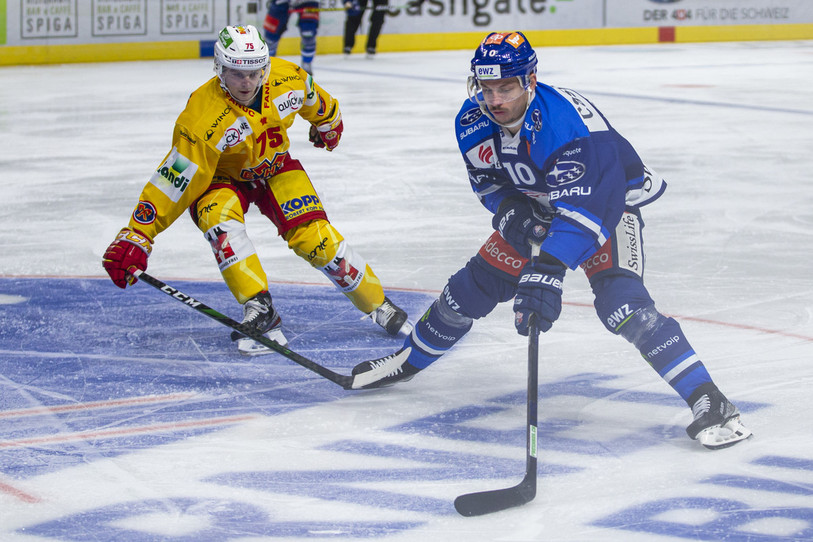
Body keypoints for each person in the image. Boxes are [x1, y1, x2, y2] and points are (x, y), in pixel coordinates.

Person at [350, 31, 752, 450]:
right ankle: (408, 361)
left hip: (609, 203)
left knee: (623, 305)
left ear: (530, 80)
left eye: (506, 87)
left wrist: (548, 270)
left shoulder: (566, 126)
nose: (495, 100)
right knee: (469, 289)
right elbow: (488, 183)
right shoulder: (471, 121)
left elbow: (589, 210)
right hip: (543, 205)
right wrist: (512, 215)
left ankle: (711, 400)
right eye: (486, 88)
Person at [102, 24, 408, 356]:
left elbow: (315, 99)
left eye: (254, 72)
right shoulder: (201, 117)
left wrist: (328, 123)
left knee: (315, 238)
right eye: (236, 74)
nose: (247, 82)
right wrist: (138, 233)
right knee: (219, 223)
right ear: (219, 68)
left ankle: (378, 303)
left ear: (265, 67)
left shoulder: (287, 78)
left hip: (275, 167)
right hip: (222, 179)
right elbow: (175, 179)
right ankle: (260, 308)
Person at [263, 0, 320, 73]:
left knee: (308, 32)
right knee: (271, 35)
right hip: (281, 2)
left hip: (308, 1)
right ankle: (266, 64)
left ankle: (307, 65)